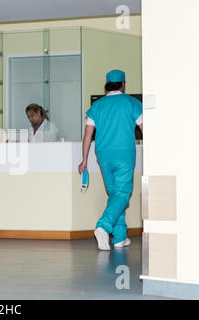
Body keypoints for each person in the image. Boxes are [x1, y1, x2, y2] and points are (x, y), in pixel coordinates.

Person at [78, 69, 143, 250]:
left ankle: (120, 237)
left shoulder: (97, 106)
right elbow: (146, 129)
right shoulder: (132, 103)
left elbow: (87, 136)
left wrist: (84, 160)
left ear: (107, 85)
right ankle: (103, 226)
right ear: (123, 84)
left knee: (115, 194)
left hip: (103, 155)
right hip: (124, 154)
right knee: (122, 194)